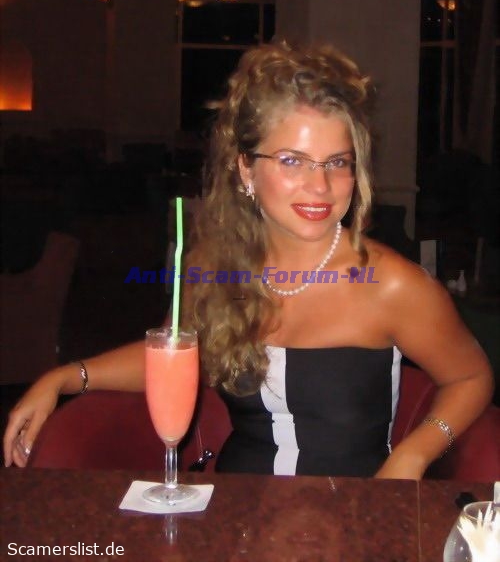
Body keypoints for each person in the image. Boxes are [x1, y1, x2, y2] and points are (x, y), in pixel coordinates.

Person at [4, 42, 493, 479]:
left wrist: (413, 455)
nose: (320, 186)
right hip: (237, 512)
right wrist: (65, 377)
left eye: (337, 163)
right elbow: (175, 355)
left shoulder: (390, 284)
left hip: (354, 517)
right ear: (246, 169)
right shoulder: (220, 269)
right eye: (292, 160)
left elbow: (471, 377)